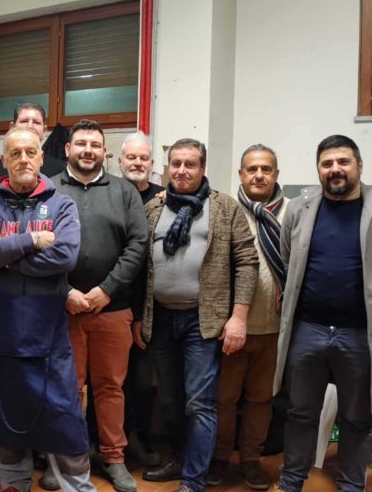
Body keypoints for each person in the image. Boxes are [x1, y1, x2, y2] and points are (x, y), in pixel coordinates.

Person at [0, 127, 95, 492]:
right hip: (2, 332)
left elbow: (65, 257)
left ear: (41, 158)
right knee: (7, 416)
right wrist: (33, 239)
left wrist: (6, 255)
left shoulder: (62, 205)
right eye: (15, 153)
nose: (23, 159)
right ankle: (14, 483)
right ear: (4, 161)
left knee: (64, 417)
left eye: (30, 152)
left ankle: (77, 486)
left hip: (48, 336)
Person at [133, 138, 258, 492]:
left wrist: (239, 317)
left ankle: (193, 480)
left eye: (190, 164)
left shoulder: (224, 208)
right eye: (176, 164)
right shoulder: (153, 209)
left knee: (199, 403)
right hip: (159, 319)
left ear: (203, 168)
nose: (182, 170)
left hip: (203, 322)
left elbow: (247, 263)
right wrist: (139, 316)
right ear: (167, 168)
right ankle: (179, 458)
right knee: (169, 399)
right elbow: (140, 266)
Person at [52, 119, 148, 492]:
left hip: (113, 308)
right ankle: (66, 459)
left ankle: (113, 457)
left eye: (95, 144)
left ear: (105, 152)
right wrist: (65, 292)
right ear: (68, 149)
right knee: (67, 388)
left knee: (110, 388)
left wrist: (107, 290)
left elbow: (137, 245)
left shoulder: (124, 192)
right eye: (81, 144)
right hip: (64, 310)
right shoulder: (50, 189)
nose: (88, 150)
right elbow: (37, 246)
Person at [274, 134, 372, 492]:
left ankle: (351, 486)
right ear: (318, 169)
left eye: (343, 161)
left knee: (357, 416)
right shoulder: (300, 208)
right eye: (327, 163)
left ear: (359, 165)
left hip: (359, 333)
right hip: (308, 329)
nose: (335, 169)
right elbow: (288, 258)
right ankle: (291, 482)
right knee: (301, 413)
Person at [207, 144, 286, 490]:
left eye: (266, 169)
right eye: (251, 169)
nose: (258, 175)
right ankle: (221, 457)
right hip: (232, 328)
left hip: (274, 328)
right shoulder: (224, 210)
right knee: (223, 400)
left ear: (276, 174)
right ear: (240, 174)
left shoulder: (291, 213)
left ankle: (252, 460)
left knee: (261, 400)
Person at [117, 131, 163, 467]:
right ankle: (103, 441)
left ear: (151, 163)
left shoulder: (164, 198)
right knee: (108, 381)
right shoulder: (109, 193)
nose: (137, 163)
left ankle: (139, 439)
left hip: (150, 308)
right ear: (120, 161)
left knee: (144, 382)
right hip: (114, 302)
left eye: (143, 158)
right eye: (131, 157)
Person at [0, 102, 66, 179]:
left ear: (44, 131)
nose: (30, 126)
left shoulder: (60, 169)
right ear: (12, 127)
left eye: (36, 122)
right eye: (24, 121)